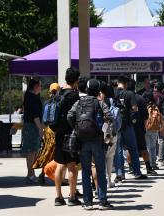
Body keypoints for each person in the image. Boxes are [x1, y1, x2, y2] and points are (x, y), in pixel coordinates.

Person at [67, 79, 114, 210]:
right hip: (97, 141)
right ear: (98, 90)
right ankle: (102, 201)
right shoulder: (100, 103)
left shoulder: (78, 102)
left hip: (82, 141)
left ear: (87, 90)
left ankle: (87, 202)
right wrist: (103, 130)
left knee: (85, 171)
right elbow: (110, 118)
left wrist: (77, 129)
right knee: (100, 170)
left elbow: (69, 116)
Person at [54, 67, 81, 206]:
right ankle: (72, 196)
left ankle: (58, 197)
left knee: (60, 165)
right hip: (70, 134)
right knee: (71, 166)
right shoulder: (74, 95)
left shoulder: (58, 93)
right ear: (76, 80)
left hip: (58, 133)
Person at [114, 76, 147, 182]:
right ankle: (137, 172)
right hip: (127, 124)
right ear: (126, 84)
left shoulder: (113, 93)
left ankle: (120, 174)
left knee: (118, 149)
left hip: (115, 124)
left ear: (118, 82)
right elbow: (134, 108)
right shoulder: (129, 93)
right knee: (133, 148)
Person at [128, 79, 158, 175]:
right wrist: (145, 127)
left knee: (129, 148)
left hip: (127, 127)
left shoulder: (123, 97)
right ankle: (148, 167)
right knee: (143, 148)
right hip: (139, 127)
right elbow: (145, 116)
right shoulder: (140, 98)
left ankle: (130, 167)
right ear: (135, 86)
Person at [33, 83, 60, 184]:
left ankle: (42, 174)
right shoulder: (59, 101)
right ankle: (56, 175)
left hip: (47, 130)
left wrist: (43, 130)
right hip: (56, 130)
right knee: (57, 154)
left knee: (47, 153)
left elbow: (42, 118)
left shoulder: (46, 103)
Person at [22, 79, 43, 183]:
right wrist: (40, 128)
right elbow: (35, 115)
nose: (41, 88)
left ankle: (30, 173)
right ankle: (31, 174)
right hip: (32, 126)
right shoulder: (32, 97)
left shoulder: (28, 96)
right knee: (32, 151)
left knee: (32, 151)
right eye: (40, 86)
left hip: (29, 126)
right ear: (35, 86)